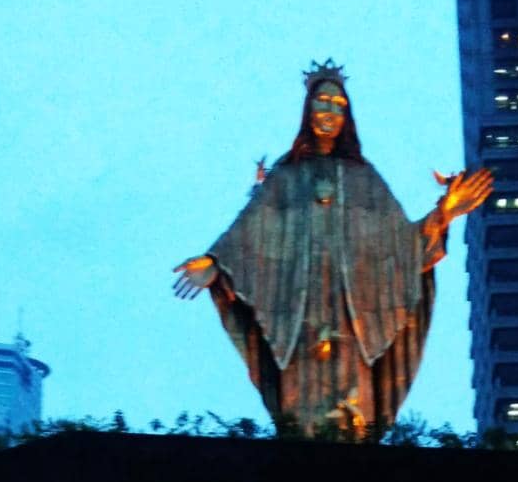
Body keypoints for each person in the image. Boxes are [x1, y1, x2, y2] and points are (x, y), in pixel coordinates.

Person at [174, 61, 492, 435]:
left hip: (353, 331)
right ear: (308, 109)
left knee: (353, 423)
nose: (330, 111)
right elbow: (250, 234)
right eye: (323, 101)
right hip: (300, 331)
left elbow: (404, 249)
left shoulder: (364, 179)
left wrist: (444, 213)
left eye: (339, 105)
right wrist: (216, 263)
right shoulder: (286, 176)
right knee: (302, 425)